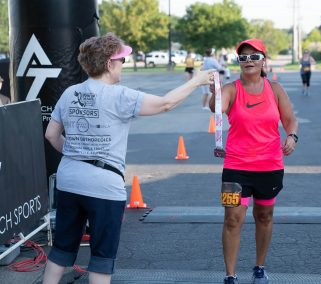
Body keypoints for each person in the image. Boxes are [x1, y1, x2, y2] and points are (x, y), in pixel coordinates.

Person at [42, 33, 214, 284]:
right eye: (121, 60)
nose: (123, 64)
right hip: (104, 186)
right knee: (101, 258)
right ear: (110, 64)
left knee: (61, 250)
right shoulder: (120, 96)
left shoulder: (70, 93)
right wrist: (196, 81)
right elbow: (165, 104)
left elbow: (51, 135)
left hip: (69, 179)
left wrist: (77, 155)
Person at [209, 38, 298, 284]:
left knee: (265, 216)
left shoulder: (275, 89)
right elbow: (216, 108)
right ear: (239, 62)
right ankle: (230, 275)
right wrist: (213, 95)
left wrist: (292, 136)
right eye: (243, 57)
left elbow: (290, 120)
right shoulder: (231, 89)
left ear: (263, 61)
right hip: (236, 167)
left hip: (269, 166)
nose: (248, 61)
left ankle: (259, 267)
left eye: (254, 56)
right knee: (232, 218)